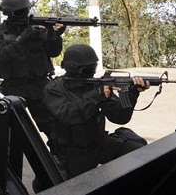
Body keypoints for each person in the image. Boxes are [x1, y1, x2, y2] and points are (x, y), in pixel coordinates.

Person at [43, 44, 150, 179]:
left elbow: (120, 117)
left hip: (98, 144)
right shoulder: (54, 89)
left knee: (141, 153)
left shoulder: (97, 85)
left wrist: (129, 93)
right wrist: (97, 95)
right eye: (88, 69)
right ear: (73, 68)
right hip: (71, 153)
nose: (93, 72)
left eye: (93, 66)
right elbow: (68, 115)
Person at [0, 0, 65, 138]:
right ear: (9, 12)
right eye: (20, 12)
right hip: (13, 88)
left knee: (53, 127)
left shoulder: (37, 28)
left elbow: (53, 52)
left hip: (39, 86)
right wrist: (23, 38)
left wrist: (55, 35)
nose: (24, 14)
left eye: (25, 10)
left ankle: (57, 157)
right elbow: (4, 55)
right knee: (13, 131)